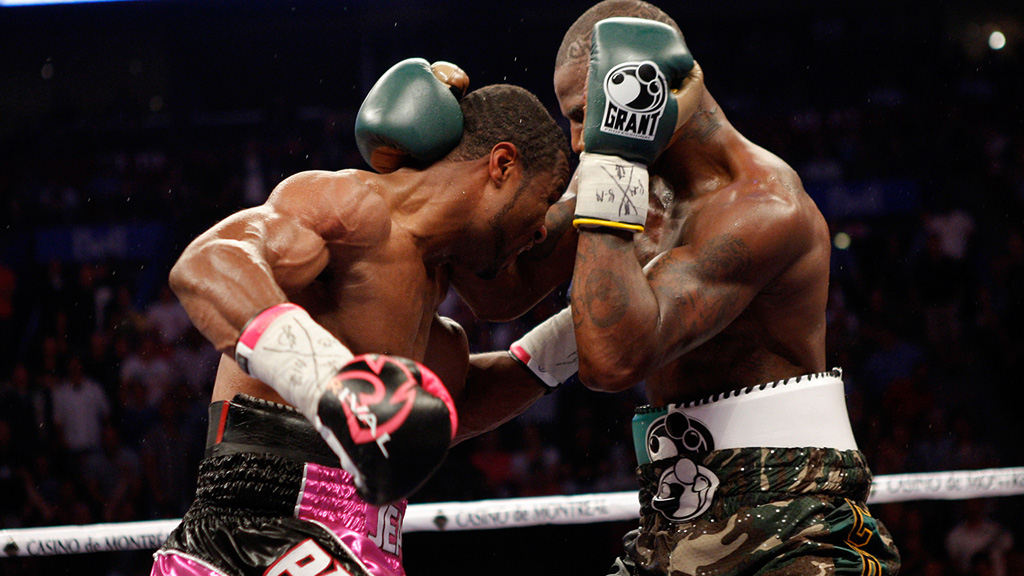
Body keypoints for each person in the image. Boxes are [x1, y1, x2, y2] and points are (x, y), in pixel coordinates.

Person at [472, 2, 903, 574]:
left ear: (647, 93)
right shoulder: (621, 171)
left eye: (586, 115)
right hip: (670, 511)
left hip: (790, 518)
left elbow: (613, 362)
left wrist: (614, 162)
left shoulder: (763, 207)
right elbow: (498, 293)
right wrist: (437, 165)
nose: (579, 141)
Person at [149, 57, 571, 576]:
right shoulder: (354, 211)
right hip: (256, 532)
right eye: (547, 199)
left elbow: (441, 411)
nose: (542, 229)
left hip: (366, 545)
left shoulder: (439, 331)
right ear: (502, 165)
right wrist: (327, 379)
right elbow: (210, 263)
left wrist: (574, 336)